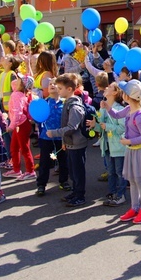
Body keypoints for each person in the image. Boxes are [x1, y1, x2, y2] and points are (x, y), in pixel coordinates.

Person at [107, 79, 141, 224]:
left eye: (124, 92)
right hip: (131, 151)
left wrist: (128, 141)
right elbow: (116, 115)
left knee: (140, 182)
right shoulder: (129, 109)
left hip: (139, 152)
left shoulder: (139, 116)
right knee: (133, 181)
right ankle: (134, 208)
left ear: (129, 96)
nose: (122, 94)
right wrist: (108, 108)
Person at [48, 74, 94, 207]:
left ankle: (80, 195)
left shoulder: (74, 107)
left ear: (69, 89)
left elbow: (71, 127)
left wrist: (55, 133)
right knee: (73, 171)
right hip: (70, 143)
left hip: (77, 144)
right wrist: (64, 141)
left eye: (61, 88)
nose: (58, 90)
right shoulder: (67, 103)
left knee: (78, 172)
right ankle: (75, 192)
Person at [93, 82, 127, 206]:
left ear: (115, 93)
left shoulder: (119, 109)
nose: (106, 88)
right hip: (107, 145)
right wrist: (95, 125)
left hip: (118, 146)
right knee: (111, 171)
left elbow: (122, 128)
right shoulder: (103, 107)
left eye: (109, 87)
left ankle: (121, 195)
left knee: (119, 171)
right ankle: (112, 193)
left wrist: (106, 126)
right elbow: (101, 127)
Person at [35, 80, 70, 197]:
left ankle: (63, 181)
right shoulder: (44, 103)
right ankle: (41, 184)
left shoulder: (65, 103)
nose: (52, 85)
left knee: (63, 160)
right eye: (50, 84)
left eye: (55, 84)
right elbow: (37, 119)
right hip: (46, 137)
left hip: (61, 137)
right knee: (44, 162)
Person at [4, 73, 35, 180]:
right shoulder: (20, 93)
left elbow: (18, 113)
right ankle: (16, 169)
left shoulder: (17, 95)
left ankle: (30, 171)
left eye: (19, 79)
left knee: (24, 149)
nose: (15, 80)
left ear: (21, 84)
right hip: (19, 124)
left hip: (21, 125)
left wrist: (11, 126)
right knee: (14, 147)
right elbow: (13, 84)